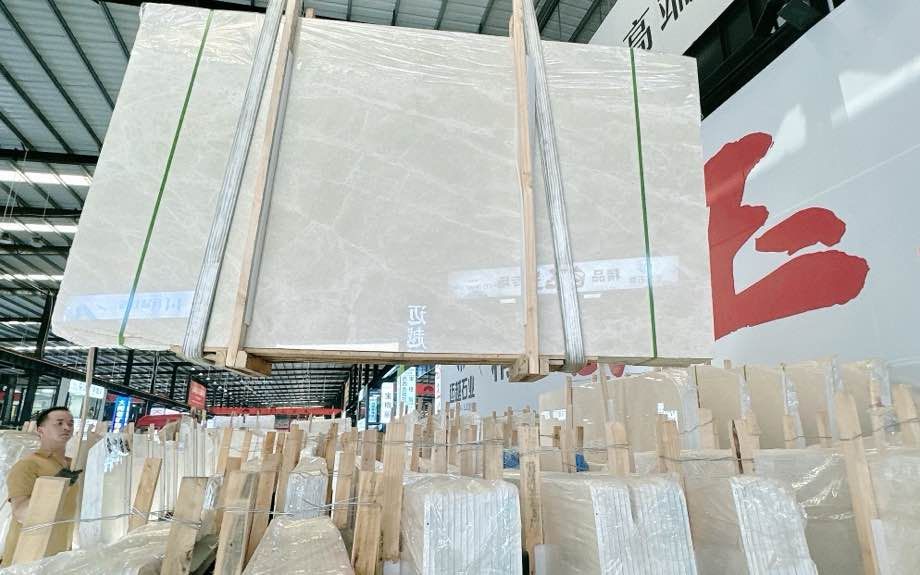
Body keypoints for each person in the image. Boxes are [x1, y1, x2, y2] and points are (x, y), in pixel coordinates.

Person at [1, 406, 80, 566]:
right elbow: (20, 513)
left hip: (59, 555)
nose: (67, 427)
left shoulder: (74, 465)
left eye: (70, 423)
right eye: (59, 423)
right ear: (41, 430)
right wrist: (53, 488)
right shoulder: (28, 465)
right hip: (26, 557)